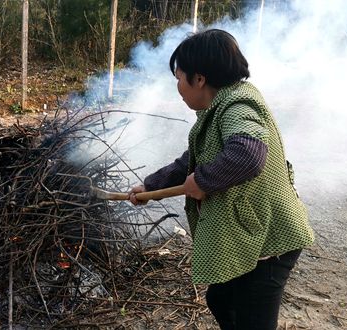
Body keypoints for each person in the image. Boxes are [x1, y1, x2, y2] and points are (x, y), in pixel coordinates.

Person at [129, 29, 314, 330]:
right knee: (221, 300)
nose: (178, 87)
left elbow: (249, 154)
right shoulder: (219, 109)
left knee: (253, 319)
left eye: (179, 78)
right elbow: (193, 159)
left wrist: (203, 181)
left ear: (199, 78)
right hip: (249, 234)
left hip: (269, 241)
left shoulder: (238, 106)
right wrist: (152, 186)